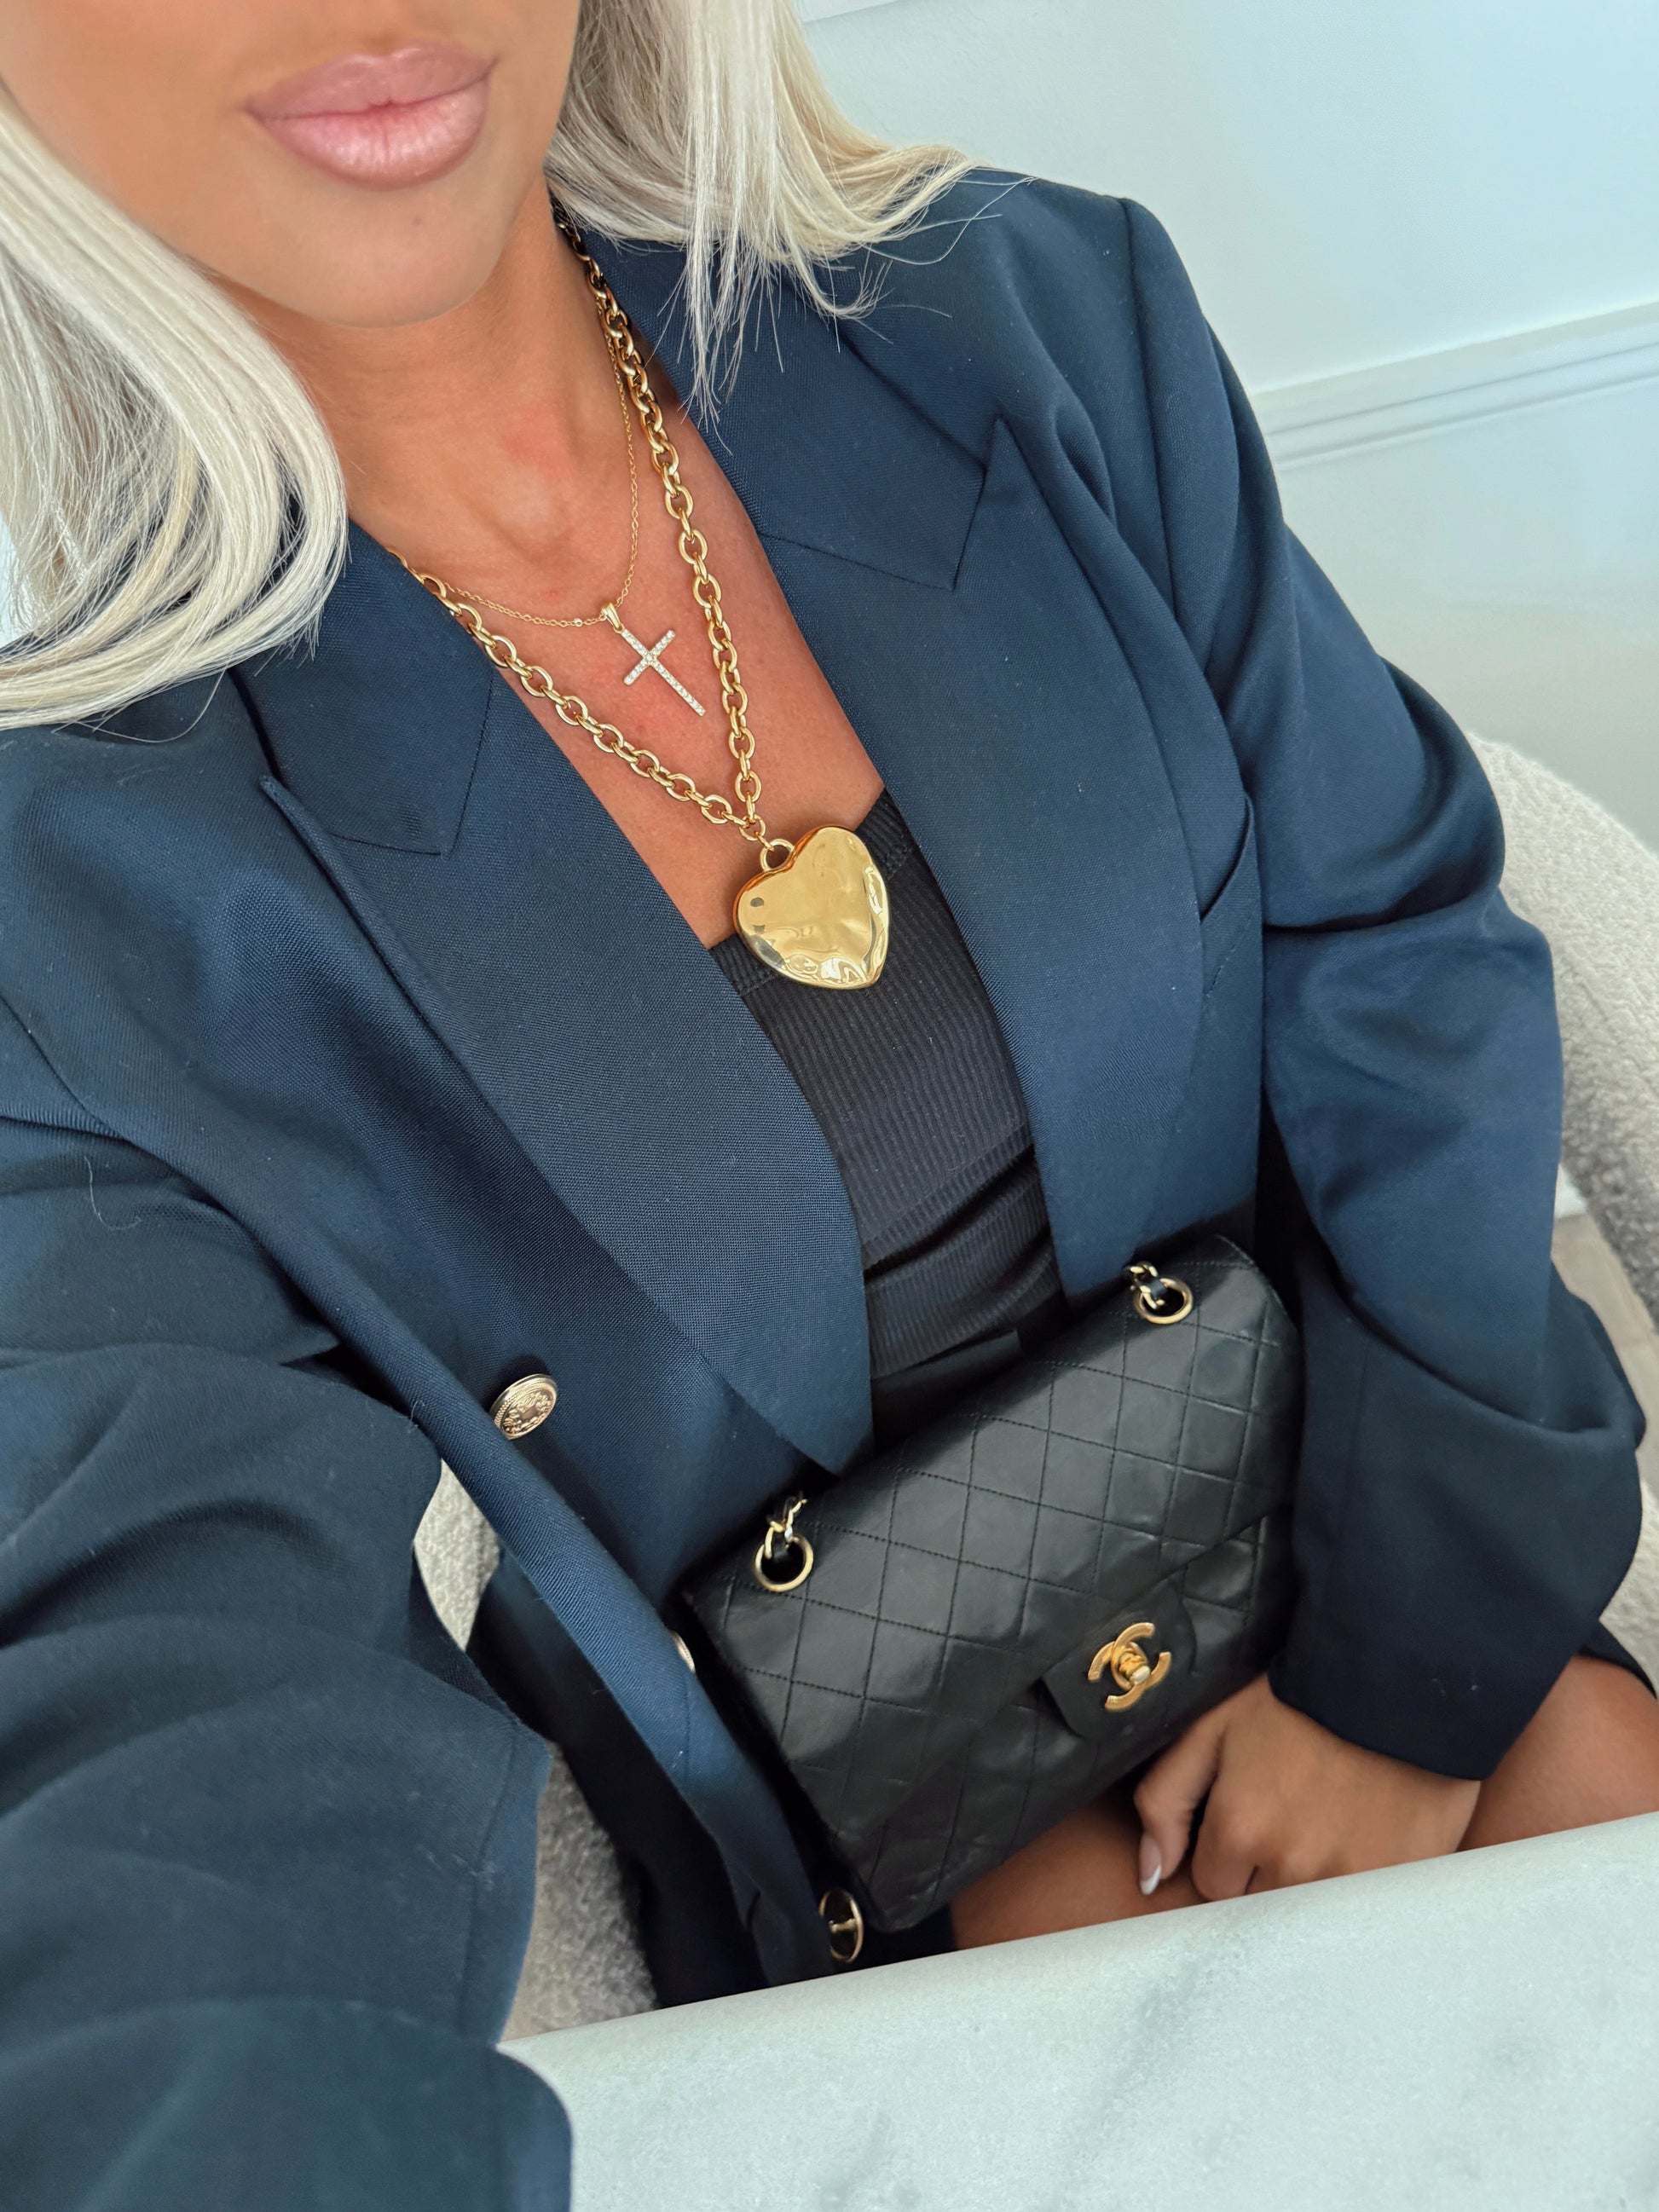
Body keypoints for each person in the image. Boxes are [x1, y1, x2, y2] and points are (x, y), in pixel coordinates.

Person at [1, 3, 1656, 2205]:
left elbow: (1397, 956)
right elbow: (172, 1694)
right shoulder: (78, 879)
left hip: (1345, 1517)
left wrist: (1403, 1671)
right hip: (879, 1787)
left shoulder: (1027, 317)